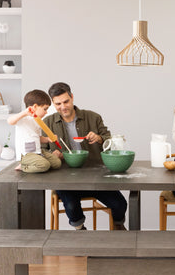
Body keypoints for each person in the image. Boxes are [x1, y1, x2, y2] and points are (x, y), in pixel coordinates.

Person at [43, 82, 127, 230]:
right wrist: (52, 155)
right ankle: (81, 232)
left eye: (66, 101)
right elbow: (41, 151)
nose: (63, 107)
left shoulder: (93, 117)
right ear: (52, 103)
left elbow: (110, 140)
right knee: (71, 206)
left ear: (72, 97)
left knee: (120, 204)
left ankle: (118, 227)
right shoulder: (48, 123)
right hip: (64, 178)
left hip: (94, 175)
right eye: (58, 104)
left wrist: (99, 138)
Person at [7, 89, 61, 173]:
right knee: (44, 165)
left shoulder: (37, 121)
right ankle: (24, 165)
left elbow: (38, 137)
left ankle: (39, 161)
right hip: (26, 154)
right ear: (35, 107)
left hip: (38, 151)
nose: (46, 112)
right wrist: (24, 113)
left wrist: (47, 139)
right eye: (45, 109)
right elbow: (10, 121)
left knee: (57, 163)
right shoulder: (23, 118)